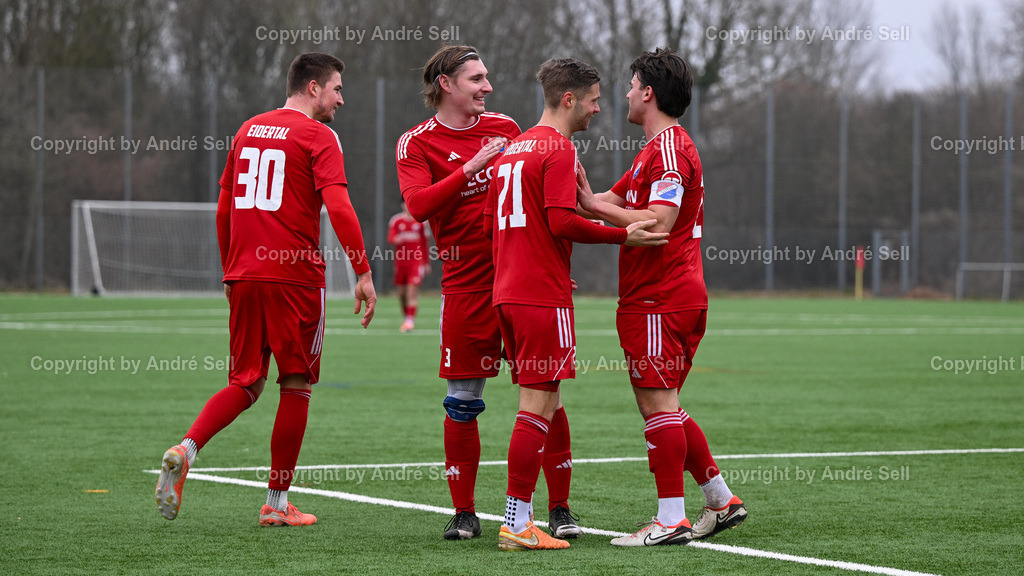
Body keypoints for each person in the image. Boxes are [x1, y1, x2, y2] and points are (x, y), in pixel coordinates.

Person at [154, 52, 377, 527]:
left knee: (246, 381)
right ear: (313, 87)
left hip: (245, 274)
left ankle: (186, 447)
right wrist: (363, 271)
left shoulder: (247, 129)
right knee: (296, 384)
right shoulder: (320, 136)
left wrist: (230, 270)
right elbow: (339, 207)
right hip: (294, 278)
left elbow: (223, 210)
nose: (342, 98)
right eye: (337, 88)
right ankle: (276, 504)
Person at [396, 45, 581, 541]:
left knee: (547, 395)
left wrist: (556, 268)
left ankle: (560, 508)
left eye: (486, 78)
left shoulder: (505, 128)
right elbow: (417, 206)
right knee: (462, 399)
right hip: (465, 288)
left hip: (520, 280)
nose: (487, 87)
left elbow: (541, 202)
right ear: (446, 84)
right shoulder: (415, 143)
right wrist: (471, 167)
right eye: (477, 79)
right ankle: (465, 513)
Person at [486, 57, 668, 551]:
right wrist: (620, 235)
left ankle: (531, 515)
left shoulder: (512, 149)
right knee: (537, 407)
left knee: (542, 402)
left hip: (509, 292)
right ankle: (517, 522)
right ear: (568, 99)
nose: (597, 110)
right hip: (539, 297)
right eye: (591, 100)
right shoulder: (558, 149)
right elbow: (562, 221)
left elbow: (501, 225)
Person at [576, 48, 747, 546]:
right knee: (665, 402)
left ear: (648, 93)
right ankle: (720, 499)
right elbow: (610, 201)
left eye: (630, 85)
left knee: (658, 403)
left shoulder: (670, 150)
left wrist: (587, 206)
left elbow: (660, 222)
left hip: (662, 296)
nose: (625, 94)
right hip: (659, 295)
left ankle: (671, 518)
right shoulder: (653, 149)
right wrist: (566, 190)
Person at [387, 202, 431, 332]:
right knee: (401, 293)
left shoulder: (421, 222)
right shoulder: (396, 220)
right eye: (405, 203)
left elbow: (425, 243)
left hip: (416, 262)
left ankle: (410, 320)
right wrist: (396, 239)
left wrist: (426, 263)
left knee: (411, 291)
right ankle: (407, 317)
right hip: (400, 262)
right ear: (402, 205)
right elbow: (391, 238)